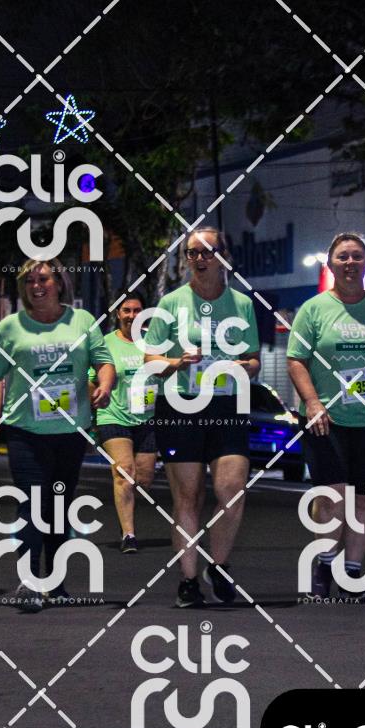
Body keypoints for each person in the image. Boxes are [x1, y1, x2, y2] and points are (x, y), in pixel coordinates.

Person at [0, 257, 115, 612]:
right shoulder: (10, 327)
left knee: (59, 507)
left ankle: (54, 584)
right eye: (29, 281)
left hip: (70, 431)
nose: (36, 286)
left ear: (60, 283)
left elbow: (104, 362)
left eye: (43, 279)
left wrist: (104, 386)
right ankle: (29, 581)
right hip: (25, 431)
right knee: (32, 502)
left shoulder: (82, 321)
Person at [287, 232, 365, 599]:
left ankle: (354, 572)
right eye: (343, 257)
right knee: (332, 495)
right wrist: (312, 402)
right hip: (325, 419)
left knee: (363, 497)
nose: (350, 263)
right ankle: (324, 566)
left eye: (357, 256)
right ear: (330, 264)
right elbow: (296, 360)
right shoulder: (313, 309)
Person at [144, 227, 260, 608]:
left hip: (227, 405)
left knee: (231, 489)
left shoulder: (242, 304)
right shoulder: (171, 303)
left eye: (208, 251)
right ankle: (189, 579)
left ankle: (219, 566)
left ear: (224, 256)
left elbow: (254, 360)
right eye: (192, 252)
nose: (200, 258)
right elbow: (150, 360)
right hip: (181, 405)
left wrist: (241, 367)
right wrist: (176, 362)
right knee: (188, 496)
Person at [93, 292, 157, 554]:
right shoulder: (105, 344)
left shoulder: (154, 343)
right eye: (126, 310)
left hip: (147, 418)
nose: (132, 315)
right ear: (118, 314)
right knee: (124, 473)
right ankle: (129, 534)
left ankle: (125, 515)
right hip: (113, 415)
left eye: (137, 310)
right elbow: (92, 378)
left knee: (144, 479)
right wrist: (94, 401)